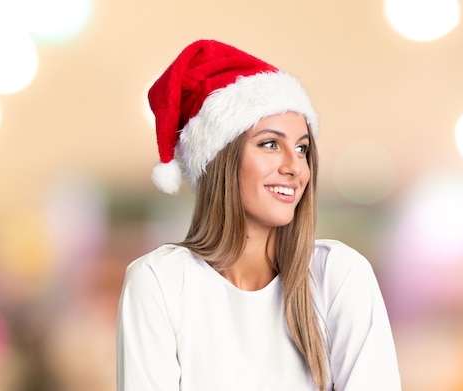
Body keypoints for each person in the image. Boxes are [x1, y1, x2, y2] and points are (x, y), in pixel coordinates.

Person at [116, 39, 401, 391]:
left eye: (302, 148)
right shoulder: (159, 281)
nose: (295, 167)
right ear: (221, 159)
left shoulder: (338, 275)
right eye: (270, 144)